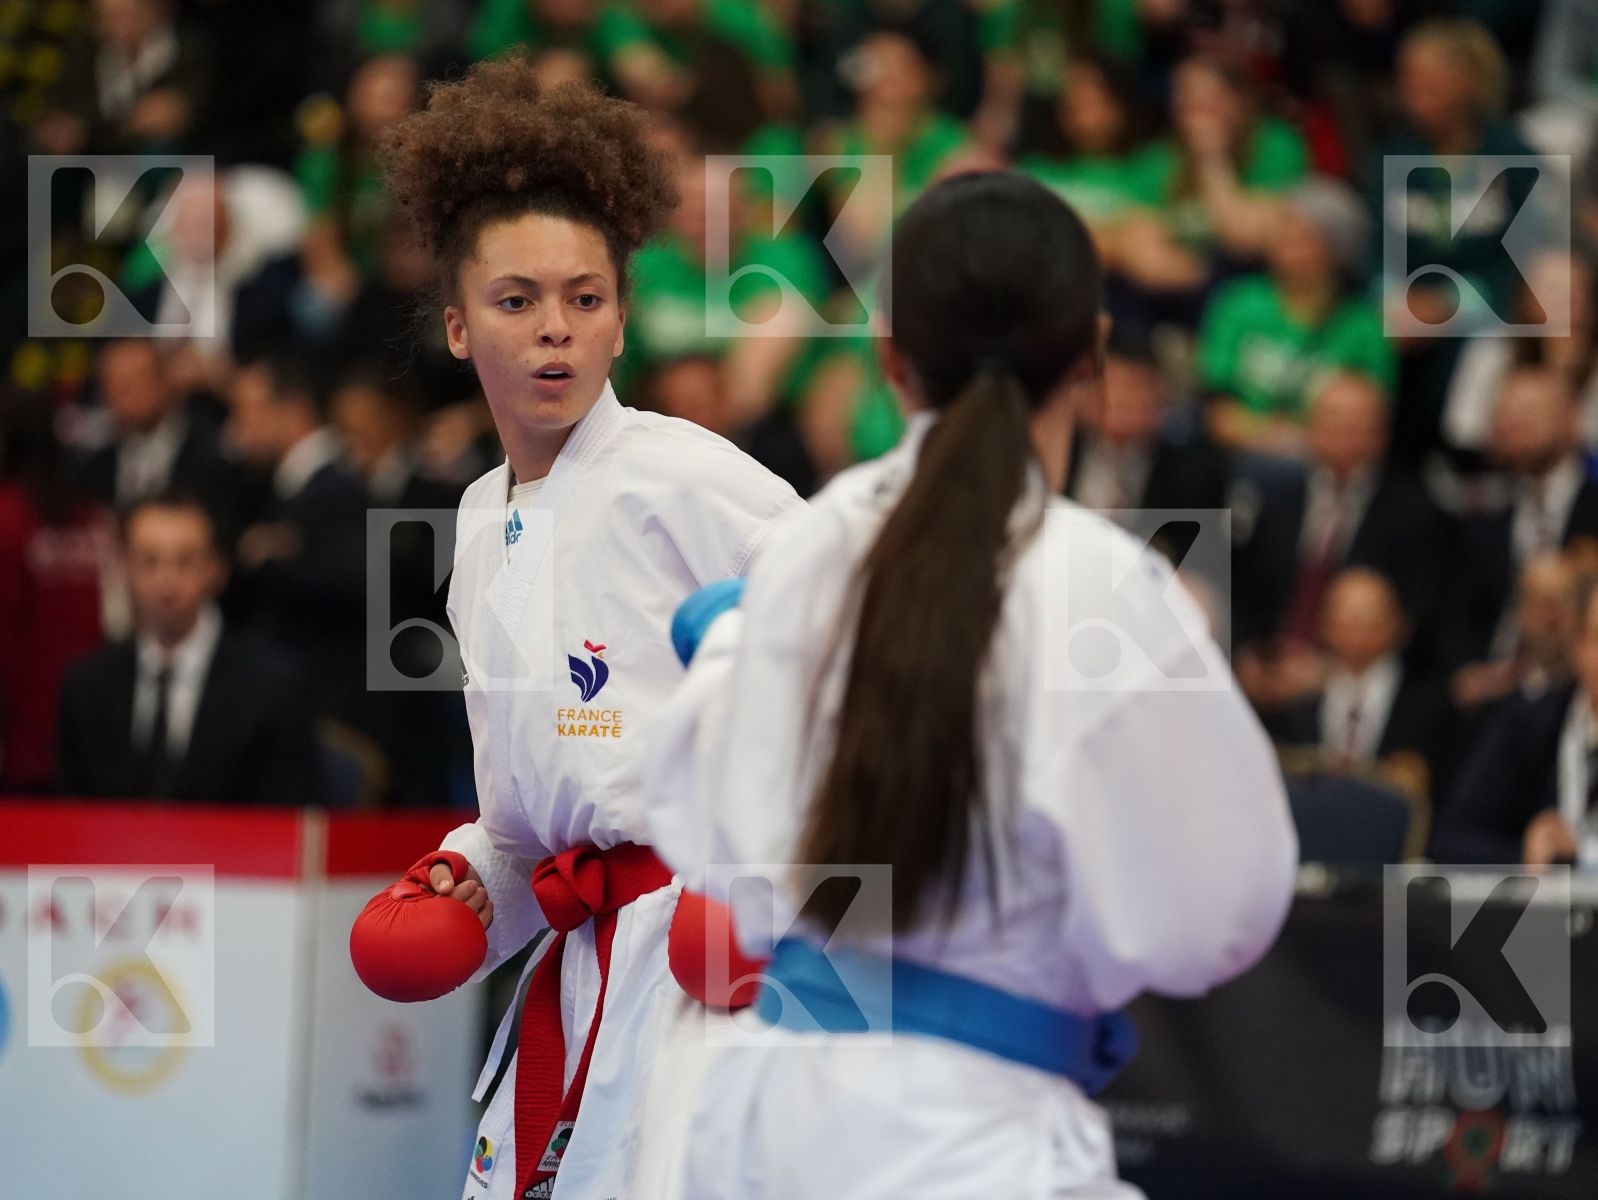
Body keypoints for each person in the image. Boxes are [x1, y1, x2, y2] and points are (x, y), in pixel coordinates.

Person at [643, 171, 1296, 1199]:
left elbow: (700, 824)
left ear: (887, 357)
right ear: (1089, 350)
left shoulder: (804, 548)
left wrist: (724, 653)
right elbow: (1218, 917)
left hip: (755, 1124)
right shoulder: (1108, 589)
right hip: (974, 1140)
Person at [373, 56, 800, 1200]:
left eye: (585, 298)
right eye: (517, 303)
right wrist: (469, 877)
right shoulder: (474, 521)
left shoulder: (690, 480)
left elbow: (870, 679)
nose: (554, 331)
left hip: (719, 958)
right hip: (578, 969)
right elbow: (529, 816)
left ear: (621, 316)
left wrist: (782, 900)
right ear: (461, 329)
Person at [55, 491, 318, 805]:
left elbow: (283, 818)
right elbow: (72, 817)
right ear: (124, 568)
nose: (166, 582)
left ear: (217, 570)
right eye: (148, 561)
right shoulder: (87, 685)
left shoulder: (273, 687)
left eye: (186, 561)